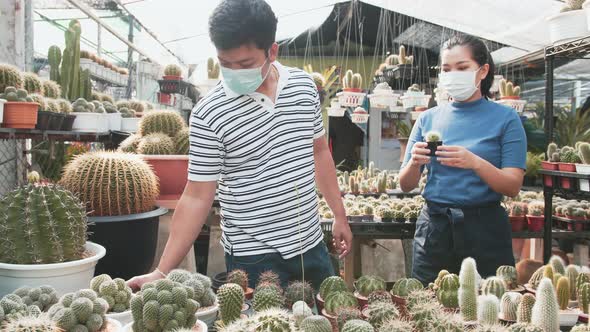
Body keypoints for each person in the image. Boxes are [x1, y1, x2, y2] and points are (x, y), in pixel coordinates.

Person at [127, 0, 352, 291]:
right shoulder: (209, 114)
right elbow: (197, 196)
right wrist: (161, 270)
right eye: (225, 64)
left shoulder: (304, 87)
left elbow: (319, 152)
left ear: (272, 51)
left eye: (244, 64)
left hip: (309, 243)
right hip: (253, 259)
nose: (234, 73)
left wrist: (339, 214)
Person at [399, 35, 527, 285]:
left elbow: (512, 186)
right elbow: (405, 184)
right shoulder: (428, 119)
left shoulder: (506, 119)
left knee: (488, 309)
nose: (452, 75)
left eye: (462, 68)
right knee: (428, 307)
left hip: (485, 229)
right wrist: (415, 162)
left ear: (482, 71)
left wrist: (474, 162)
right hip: (435, 228)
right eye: (446, 69)